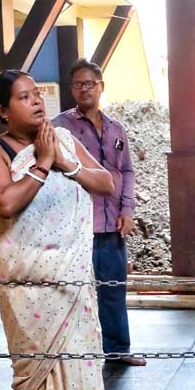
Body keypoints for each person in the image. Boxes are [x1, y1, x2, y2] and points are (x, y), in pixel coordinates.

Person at [0, 70, 119, 390]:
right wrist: (41, 165)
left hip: (70, 275)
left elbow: (105, 183)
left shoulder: (64, 140)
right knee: (35, 360)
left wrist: (66, 164)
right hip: (27, 280)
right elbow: (4, 203)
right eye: (24, 97)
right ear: (3, 110)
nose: (37, 101)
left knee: (82, 356)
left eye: (38, 94)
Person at [52, 59, 145, 367]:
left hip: (112, 226)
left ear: (101, 86)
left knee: (113, 290)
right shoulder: (60, 127)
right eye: (78, 84)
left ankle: (118, 351)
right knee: (74, 294)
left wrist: (127, 210)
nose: (84, 89)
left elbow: (127, 171)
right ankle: (77, 356)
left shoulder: (117, 128)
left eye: (89, 83)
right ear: (71, 89)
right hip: (77, 226)